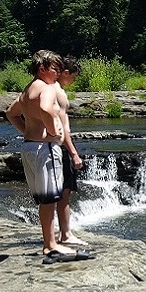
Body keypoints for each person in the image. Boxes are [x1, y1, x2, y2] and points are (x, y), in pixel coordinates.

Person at [5, 50, 93, 264]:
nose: (58, 72)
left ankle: (49, 242)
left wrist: (28, 131)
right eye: (55, 68)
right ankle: (50, 245)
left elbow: (10, 113)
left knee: (45, 200)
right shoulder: (46, 88)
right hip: (45, 149)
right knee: (50, 199)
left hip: (29, 147)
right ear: (42, 68)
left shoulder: (29, 89)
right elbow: (45, 108)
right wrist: (53, 132)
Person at [54, 55, 87, 246]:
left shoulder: (47, 89)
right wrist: (74, 153)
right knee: (65, 193)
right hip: (61, 147)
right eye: (73, 77)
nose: (74, 81)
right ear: (65, 73)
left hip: (52, 145)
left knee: (56, 193)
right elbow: (62, 128)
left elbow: (12, 112)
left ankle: (60, 234)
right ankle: (65, 234)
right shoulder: (58, 92)